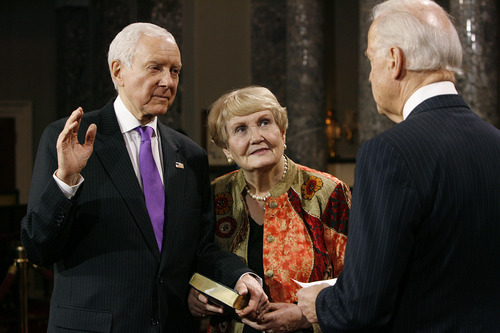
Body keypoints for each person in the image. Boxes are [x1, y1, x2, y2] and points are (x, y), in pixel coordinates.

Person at [20, 23, 268, 333]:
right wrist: (66, 180)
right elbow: (39, 250)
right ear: (118, 71)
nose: (168, 81)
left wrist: (240, 277)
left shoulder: (189, 155)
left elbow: (201, 250)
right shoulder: (71, 138)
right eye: (155, 68)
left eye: (175, 71)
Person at [297, 0, 500, 331]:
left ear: (394, 60)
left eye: (370, 61)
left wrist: (317, 303)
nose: (369, 76)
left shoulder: (388, 153)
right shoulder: (495, 142)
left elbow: (360, 309)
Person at [188, 86, 351, 332]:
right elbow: (195, 260)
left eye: (264, 123)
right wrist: (193, 292)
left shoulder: (326, 192)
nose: (256, 137)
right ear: (226, 148)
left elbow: (356, 281)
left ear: (283, 133)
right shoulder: (213, 194)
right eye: (241, 129)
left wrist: (305, 316)